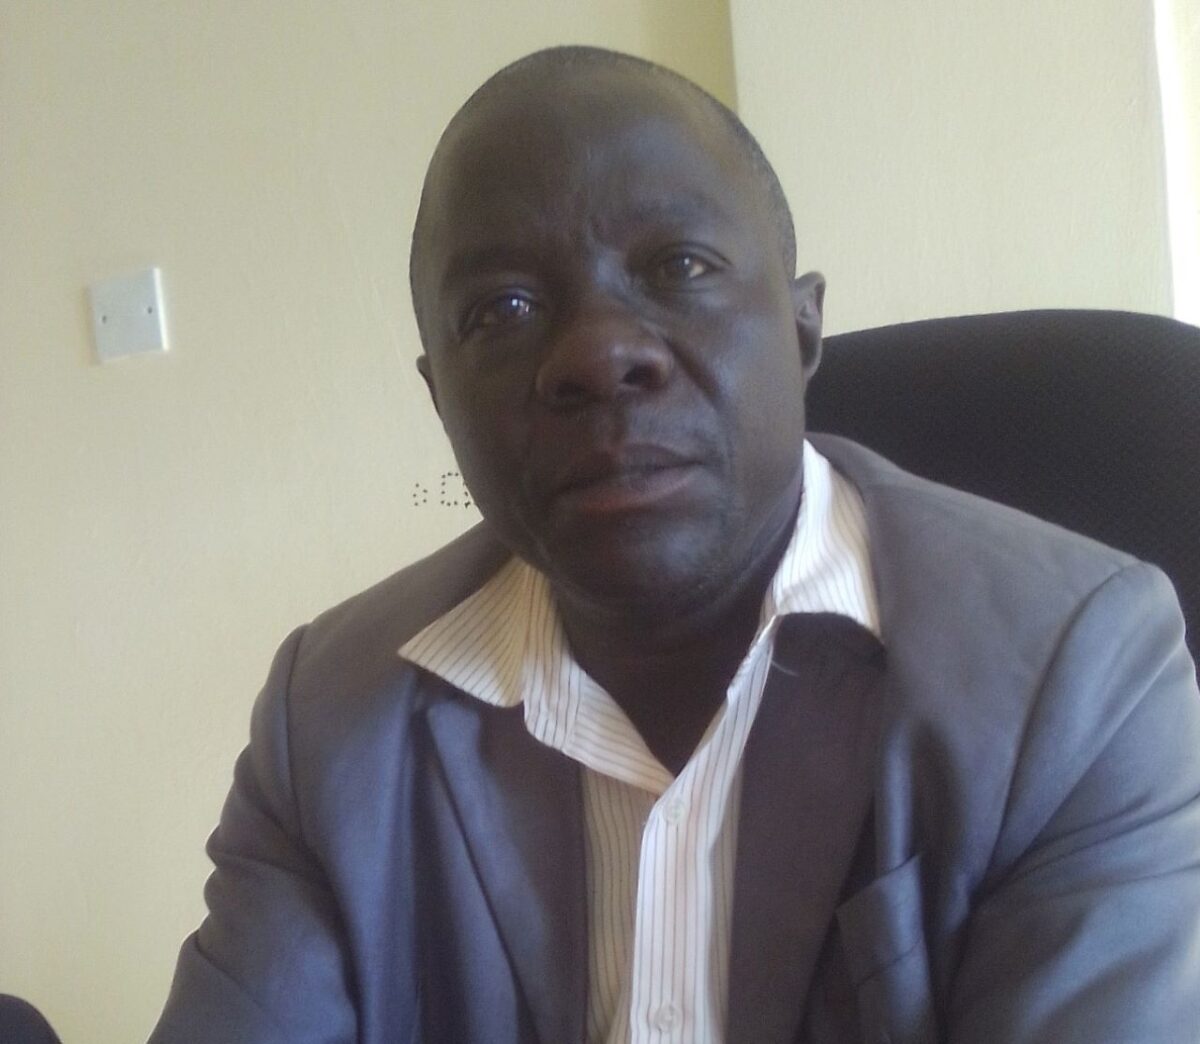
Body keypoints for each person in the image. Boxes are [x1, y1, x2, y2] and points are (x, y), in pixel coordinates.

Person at [151, 46, 1200, 1043]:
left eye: (679, 265)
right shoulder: (328, 723)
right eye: (502, 308)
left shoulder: (1078, 675)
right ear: (440, 398)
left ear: (801, 331)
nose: (598, 353)